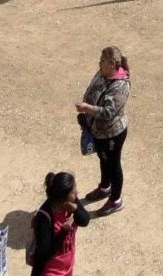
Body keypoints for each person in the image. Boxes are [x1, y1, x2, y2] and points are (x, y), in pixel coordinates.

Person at [76, 46, 130, 214]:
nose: (99, 63)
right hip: (98, 130)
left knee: (113, 164)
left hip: (112, 134)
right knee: (103, 158)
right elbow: (92, 89)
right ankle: (105, 187)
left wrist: (87, 108)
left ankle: (115, 200)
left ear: (112, 64)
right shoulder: (102, 73)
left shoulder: (120, 85)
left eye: (102, 61)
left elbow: (108, 112)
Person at [25, 171, 89, 276]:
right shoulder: (44, 218)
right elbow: (44, 253)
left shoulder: (72, 203)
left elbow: (85, 221)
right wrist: (63, 231)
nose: (77, 192)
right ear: (63, 197)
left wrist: (76, 210)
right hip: (51, 272)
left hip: (67, 267)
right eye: (73, 192)